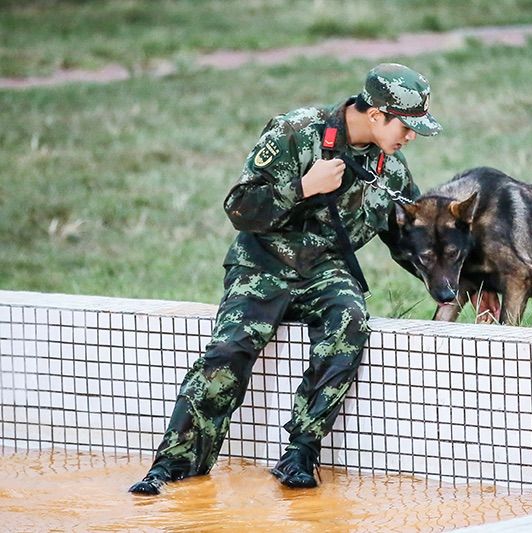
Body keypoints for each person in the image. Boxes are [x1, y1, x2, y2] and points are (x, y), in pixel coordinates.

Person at [129, 63, 440, 494]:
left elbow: (412, 239)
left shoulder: (392, 169)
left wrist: (458, 289)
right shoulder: (296, 131)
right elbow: (239, 208)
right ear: (376, 116)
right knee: (230, 348)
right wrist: (303, 186)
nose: (411, 137)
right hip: (264, 263)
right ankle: (174, 465)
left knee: (350, 319)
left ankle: (300, 454)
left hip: (324, 270)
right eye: (407, 127)